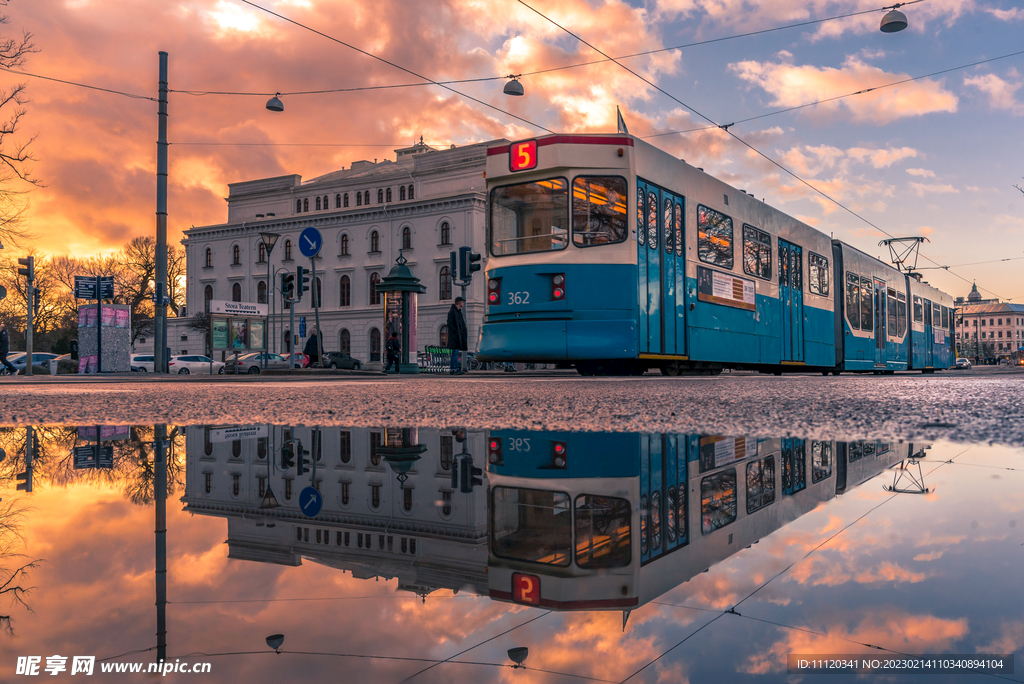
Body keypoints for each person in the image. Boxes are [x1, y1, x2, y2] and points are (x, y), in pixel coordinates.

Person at [446, 296, 468, 374]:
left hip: (457, 336)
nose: (463, 304)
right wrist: (455, 333)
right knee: (455, 353)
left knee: (455, 353)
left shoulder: (458, 312)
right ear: (459, 303)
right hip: (454, 337)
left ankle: (454, 369)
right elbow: (450, 324)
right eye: (462, 302)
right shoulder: (452, 312)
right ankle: (454, 369)